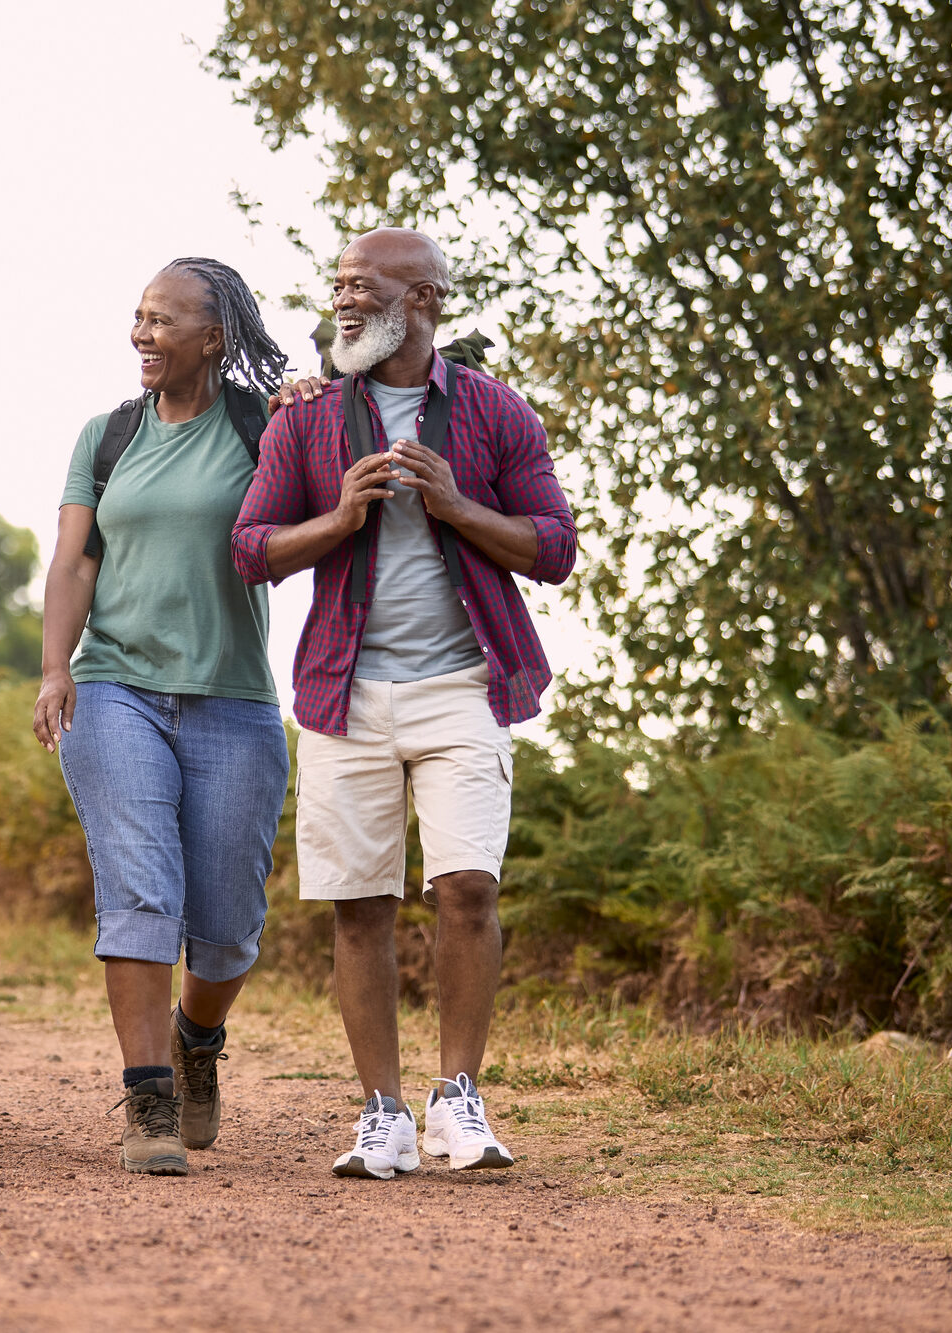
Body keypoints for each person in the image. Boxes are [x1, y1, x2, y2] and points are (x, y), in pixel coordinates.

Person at [231, 228, 577, 1179]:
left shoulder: (495, 413)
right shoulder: (303, 419)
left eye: (364, 286)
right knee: (359, 906)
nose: (342, 300)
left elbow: (554, 547)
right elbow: (250, 547)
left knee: (467, 887)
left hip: (464, 685)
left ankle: (457, 1097)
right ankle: (380, 1112)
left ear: (423, 299)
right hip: (344, 693)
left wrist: (459, 505)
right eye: (336, 285)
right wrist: (338, 518)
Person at [34, 258, 291, 1176]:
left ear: (215, 338)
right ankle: (146, 1095)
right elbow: (72, 562)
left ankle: (195, 1041)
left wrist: (311, 414)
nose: (143, 333)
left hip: (233, 697)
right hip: (114, 689)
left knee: (226, 929)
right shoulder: (106, 438)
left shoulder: (262, 428)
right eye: (138, 317)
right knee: (140, 892)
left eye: (164, 320)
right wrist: (53, 669)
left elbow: (307, 516)